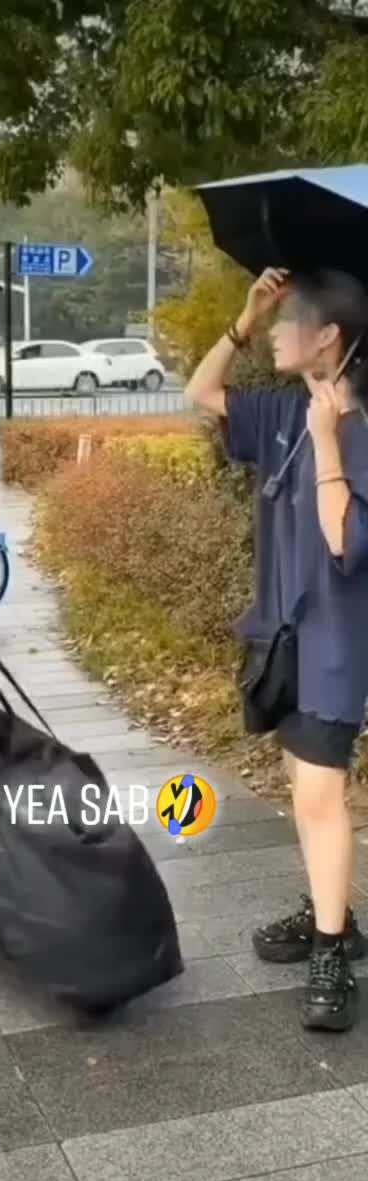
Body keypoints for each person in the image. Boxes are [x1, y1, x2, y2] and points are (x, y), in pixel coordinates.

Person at [188, 266, 368, 1032]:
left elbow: (345, 541)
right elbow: (202, 392)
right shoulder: (286, 411)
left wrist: (328, 442)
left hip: (336, 647)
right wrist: (245, 316)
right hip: (284, 636)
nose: (275, 335)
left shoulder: (356, 429)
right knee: (302, 781)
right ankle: (336, 916)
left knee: (320, 794)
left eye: (287, 321)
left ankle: (332, 952)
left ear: (327, 337)